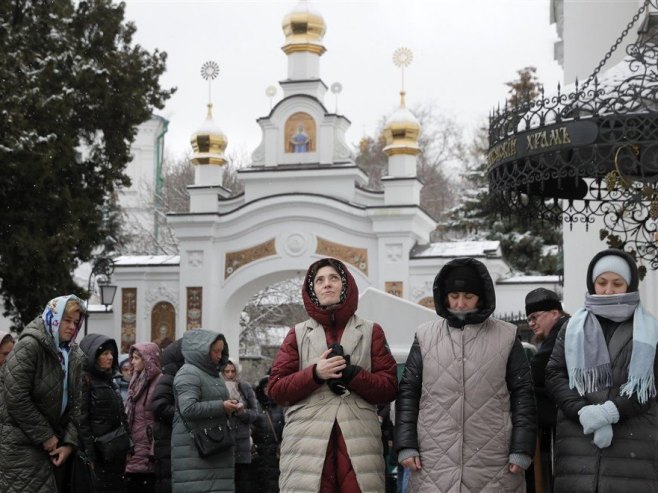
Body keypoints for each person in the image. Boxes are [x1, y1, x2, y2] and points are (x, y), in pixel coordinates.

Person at [394, 258, 537, 492]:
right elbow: (408, 393)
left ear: (481, 297)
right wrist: (405, 445)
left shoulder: (507, 337)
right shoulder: (425, 336)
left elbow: (523, 396)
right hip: (434, 460)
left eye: (468, 297)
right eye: (454, 296)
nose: (460, 304)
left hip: (493, 461)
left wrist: (521, 449)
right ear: (444, 296)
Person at [269, 257, 398, 492]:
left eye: (333, 278)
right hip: (306, 444)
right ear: (313, 290)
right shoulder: (297, 334)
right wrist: (316, 374)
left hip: (359, 443)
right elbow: (277, 390)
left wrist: (352, 374)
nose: (327, 284)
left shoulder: (371, 331)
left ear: (345, 285)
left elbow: (389, 387)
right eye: (319, 280)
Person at [545, 249, 658, 492]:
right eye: (602, 282)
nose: (608, 290)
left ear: (629, 285)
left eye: (617, 283)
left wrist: (610, 412)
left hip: (633, 447)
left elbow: (651, 384)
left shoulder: (650, 330)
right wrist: (582, 412)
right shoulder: (571, 328)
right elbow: (554, 375)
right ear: (592, 284)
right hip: (578, 446)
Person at [0, 295, 87, 492]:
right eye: (66, 320)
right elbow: (15, 396)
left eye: (76, 322)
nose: (72, 326)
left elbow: (76, 405)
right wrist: (45, 436)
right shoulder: (30, 346)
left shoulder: (72, 354)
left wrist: (69, 444)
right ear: (53, 317)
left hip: (56, 448)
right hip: (21, 448)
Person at [171, 329, 235, 492]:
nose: (220, 356)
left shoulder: (212, 374)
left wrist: (231, 407)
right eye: (215, 351)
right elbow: (188, 408)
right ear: (202, 350)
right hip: (195, 451)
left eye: (221, 351)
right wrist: (222, 406)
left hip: (213, 447)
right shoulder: (188, 373)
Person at [525, 288, 570, 492]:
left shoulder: (561, 332)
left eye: (535, 317)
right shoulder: (563, 330)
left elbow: (535, 373)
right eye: (528, 319)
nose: (531, 323)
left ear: (555, 313)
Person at [78, 333, 131, 492]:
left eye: (111, 353)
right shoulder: (86, 380)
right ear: (93, 355)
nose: (110, 357)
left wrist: (127, 444)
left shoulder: (110, 380)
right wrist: (90, 456)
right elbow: (82, 421)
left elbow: (121, 416)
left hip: (115, 452)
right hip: (99, 454)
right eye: (105, 353)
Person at [124, 341, 162, 492]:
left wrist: (152, 450)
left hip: (147, 451)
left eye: (136, 358)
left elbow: (159, 419)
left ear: (148, 359)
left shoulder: (159, 382)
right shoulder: (136, 380)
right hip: (134, 449)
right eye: (132, 358)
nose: (132, 362)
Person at [151, 338, 184, 493]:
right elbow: (160, 407)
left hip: (172, 441)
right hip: (168, 440)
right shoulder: (170, 377)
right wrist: (187, 414)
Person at [221, 359, 259, 493]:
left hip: (242, 443)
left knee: (243, 483)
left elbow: (255, 414)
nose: (230, 374)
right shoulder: (217, 386)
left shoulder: (244, 387)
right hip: (223, 442)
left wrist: (242, 413)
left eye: (233, 371)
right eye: (226, 371)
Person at [251, 375, 285, 493]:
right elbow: (251, 425)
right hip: (260, 453)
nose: (267, 389)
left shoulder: (281, 405)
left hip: (276, 453)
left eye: (269, 386)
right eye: (264, 387)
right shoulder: (255, 406)